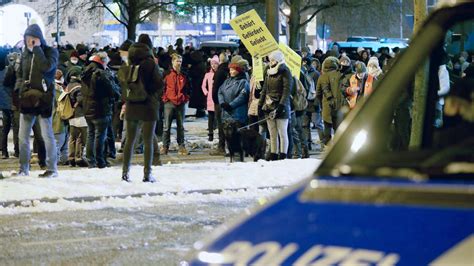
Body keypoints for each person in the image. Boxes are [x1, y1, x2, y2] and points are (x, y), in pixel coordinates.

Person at [16, 24, 59, 177]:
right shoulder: (24, 54)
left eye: (33, 39)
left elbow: (47, 67)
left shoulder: (50, 52)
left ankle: (52, 169)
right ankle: (23, 168)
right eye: (28, 39)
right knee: (22, 136)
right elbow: (20, 73)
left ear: (39, 39)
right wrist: (20, 88)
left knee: (47, 135)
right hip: (27, 99)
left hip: (43, 99)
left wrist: (38, 49)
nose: (30, 42)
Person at [121, 36, 163, 183]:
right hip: (148, 105)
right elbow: (158, 83)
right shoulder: (150, 63)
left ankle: (125, 173)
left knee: (130, 141)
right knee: (148, 141)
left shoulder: (130, 62)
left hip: (132, 104)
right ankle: (147, 173)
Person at [81, 51, 115, 168]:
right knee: (100, 136)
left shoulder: (86, 71)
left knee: (91, 134)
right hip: (101, 108)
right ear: (103, 61)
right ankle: (100, 161)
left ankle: (91, 160)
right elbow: (112, 90)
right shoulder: (101, 73)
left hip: (87, 109)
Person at [258, 50, 293, 160]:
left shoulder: (285, 71)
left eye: (273, 59)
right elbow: (265, 89)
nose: (271, 62)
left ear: (278, 60)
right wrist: (260, 104)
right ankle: (273, 154)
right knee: (272, 133)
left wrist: (282, 105)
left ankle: (283, 155)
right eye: (270, 59)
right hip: (268, 105)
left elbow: (286, 90)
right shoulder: (268, 71)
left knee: (282, 132)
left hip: (281, 106)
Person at [160, 54, 190, 156]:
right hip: (169, 102)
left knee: (180, 126)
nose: (179, 63)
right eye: (177, 61)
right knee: (166, 127)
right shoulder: (166, 74)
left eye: (180, 61)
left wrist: (185, 98)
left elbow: (188, 87)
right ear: (172, 62)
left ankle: (181, 146)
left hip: (180, 103)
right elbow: (162, 87)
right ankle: (165, 147)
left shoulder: (184, 74)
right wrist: (164, 98)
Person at [316, 56, 346, 147]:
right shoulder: (339, 75)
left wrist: (321, 102)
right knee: (337, 126)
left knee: (327, 126)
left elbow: (318, 92)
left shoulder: (322, 76)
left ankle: (327, 145)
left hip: (326, 105)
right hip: (338, 104)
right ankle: (338, 145)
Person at [65, 66, 88, 167]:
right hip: (80, 114)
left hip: (71, 115)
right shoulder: (78, 86)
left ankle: (71, 158)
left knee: (72, 137)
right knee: (81, 137)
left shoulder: (68, 86)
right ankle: (79, 157)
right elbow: (80, 100)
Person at [218, 57, 250, 126]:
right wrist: (222, 103)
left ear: (238, 71)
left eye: (232, 70)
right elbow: (220, 91)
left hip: (238, 114)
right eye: (230, 70)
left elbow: (242, 96)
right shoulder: (227, 81)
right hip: (226, 114)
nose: (230, 72)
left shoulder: (243, 81)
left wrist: (230, 105)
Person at [209, 52, 229, 156]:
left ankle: (221, 147)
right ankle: (226, 146)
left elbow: (215, 88)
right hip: (228, 101)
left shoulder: (220, 71)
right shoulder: (229, 70)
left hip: (219, 102)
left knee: (221, 125)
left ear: (220, 60)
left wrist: (215, 100)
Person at [202, 55, 219, 141]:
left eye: (215, 64)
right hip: (210, 98)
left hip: (218, 98)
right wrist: (206, 93)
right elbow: (203, 86)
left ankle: (219, 133)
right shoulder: (208, 74)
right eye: (212, 64)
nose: (213, 65)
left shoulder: (220, 74)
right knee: (210, 117)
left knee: (218, 117)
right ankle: (210, 134)